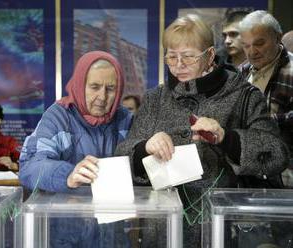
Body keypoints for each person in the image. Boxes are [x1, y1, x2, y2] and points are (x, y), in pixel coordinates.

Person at [115, 14, 289, 248]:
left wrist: (227, 138)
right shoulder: (155, 99)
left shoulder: (244, 96)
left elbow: (276, 155)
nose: (178, 65)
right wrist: (144, 147)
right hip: (163, 231)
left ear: (209, 56)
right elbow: (122, 156)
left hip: (222, 229)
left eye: (188, 57)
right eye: (171, 56)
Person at [19, 51, 132, 247]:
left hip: (113, 237)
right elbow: (30, 166)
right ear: (80, 84)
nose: (102, 97)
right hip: (66, 236)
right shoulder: (58, 116)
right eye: (94, 87)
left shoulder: (124, 118)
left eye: (111, 88)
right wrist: (68, 175)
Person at [239, 10, 293, 187]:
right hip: (249, 173)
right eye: (246, 45)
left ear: (278, 37)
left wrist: (264, 122)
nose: (252, 51)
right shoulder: (242, 72)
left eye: (259, 43)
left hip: (286, 174)